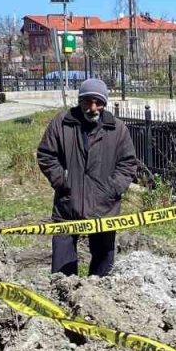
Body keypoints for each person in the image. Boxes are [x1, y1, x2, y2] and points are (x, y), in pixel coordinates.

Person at [36, 78, 139, 277]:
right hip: (68, 205)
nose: (92, 108)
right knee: (62, 271)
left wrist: (112, 189)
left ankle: (97, 293)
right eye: (88, 101)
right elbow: (46, 155)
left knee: (103, 266)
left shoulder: (117, 129)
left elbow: (128, 164)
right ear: (80, 101)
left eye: (98, 103)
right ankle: (63, 292)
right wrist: (62, 180)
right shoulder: (62, 123)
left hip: (105, 207)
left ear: (104, 104)